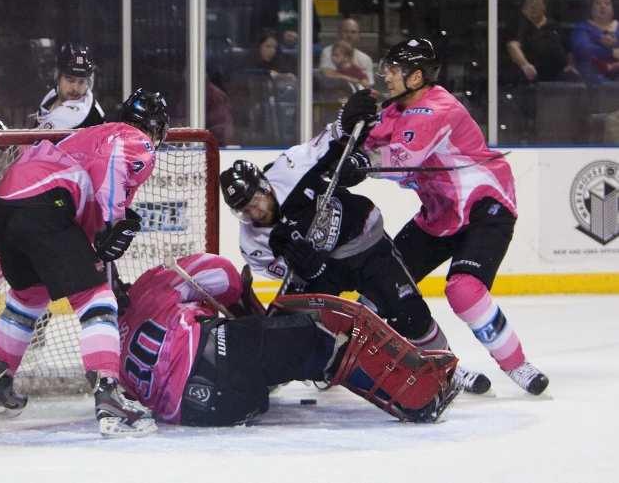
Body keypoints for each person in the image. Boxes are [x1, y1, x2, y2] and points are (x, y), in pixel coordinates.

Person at [336, 38, 550, 395]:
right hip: (439, 215)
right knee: (381, 289)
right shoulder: (393, 110)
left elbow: (404, 156)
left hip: (485, 207)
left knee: (464, 289)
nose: (386, 75)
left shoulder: (438, 109)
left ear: (417, 76)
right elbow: (363, 146)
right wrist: (346, 130)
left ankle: (517, 365)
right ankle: (443, 363)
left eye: (394, 70)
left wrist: (361, 161)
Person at [219, 124, 491, 394]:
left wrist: (348, 121)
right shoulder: (251, 241)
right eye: (245, 209)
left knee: (409, 313)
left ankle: (448, 367)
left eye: (255, 200)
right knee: (294, 326)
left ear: (265, 186)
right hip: (324, 272)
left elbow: (331, 139)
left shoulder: (289, 168)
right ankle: (299, 368)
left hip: (363, 242)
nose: (255, 212)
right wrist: (309, 268)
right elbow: (281, 271)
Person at [0, 88, 169, 437]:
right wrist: (114, 220)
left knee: (30, 297)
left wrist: (96, 248)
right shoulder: (133, 139)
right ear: (156, 128)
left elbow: (80, 187)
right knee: (98, 298)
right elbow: (113, 160)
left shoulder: (93, 133)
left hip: (6, 207)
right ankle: (109, 394)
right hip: (44, 203)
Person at [114, 252, 461, 426]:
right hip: (220, 360)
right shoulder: (151, 284)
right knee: (320, 337)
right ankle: (415, 399)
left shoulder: (112, 350)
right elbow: (226, 276)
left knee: (271, 354)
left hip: (205, 412)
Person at [504, 0, 579, 84]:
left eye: (537, 4)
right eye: (529, 4)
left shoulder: (554, 26)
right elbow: (512, 46)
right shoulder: (516, 24)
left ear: (544, 6)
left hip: (556, 73)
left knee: (573, 78)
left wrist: (570, 65)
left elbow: (568, 49)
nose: (533, 7)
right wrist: (524, 65)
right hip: (528, 73)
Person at [35, 42, 105, 130]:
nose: (75, 88)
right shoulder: (51, 98)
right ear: (58, 77)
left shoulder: (93, 117)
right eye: (70, 79)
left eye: (81, 81)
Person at [570, 0, 619, 84]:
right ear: (591, 9)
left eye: (607, 3)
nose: (603, 6)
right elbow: (581, 49)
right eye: (598, 3)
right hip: (592, 72)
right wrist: (611, 52)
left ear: (613, 10)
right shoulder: (582, 27)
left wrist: (615, 44)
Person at [319, 18, 375, 87]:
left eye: (353, 32)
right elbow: (328, 74)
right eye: (345, 31)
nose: (349, 35)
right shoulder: (328, 51)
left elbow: (368, 85)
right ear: (339, 34)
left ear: (358, 36)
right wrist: (355, 80)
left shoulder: (366, 59)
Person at [255, 0, 321, 51]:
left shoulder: (304, 0)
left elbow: (316, 26)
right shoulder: (265, 1)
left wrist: (298, 35)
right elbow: (260, 28)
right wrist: (281, 36)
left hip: (302, 43)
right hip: (276, 42)